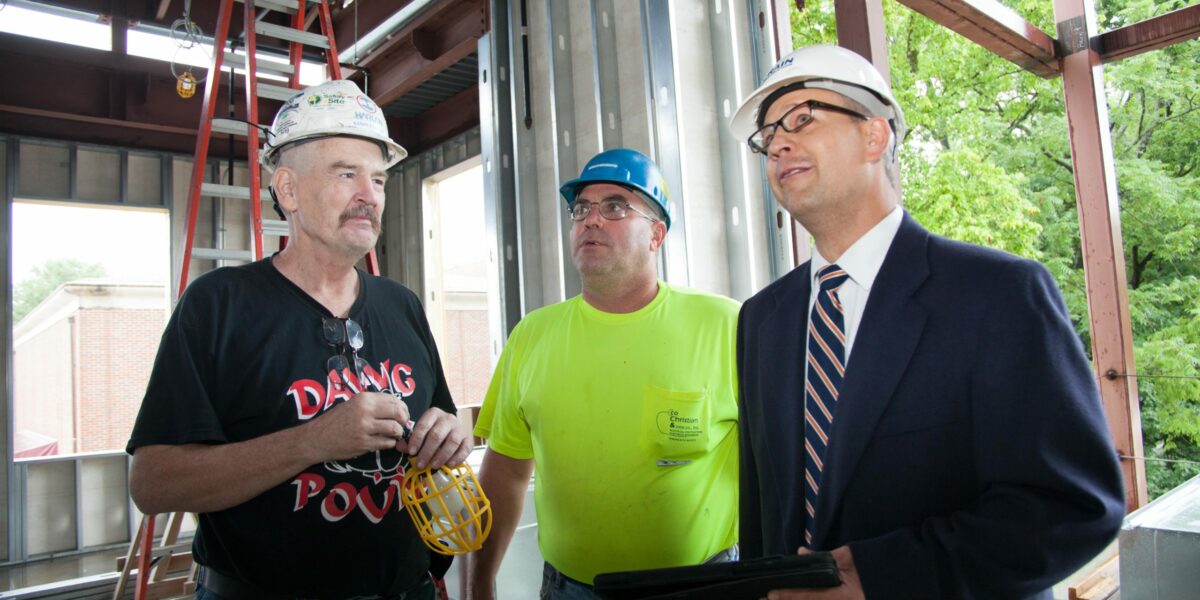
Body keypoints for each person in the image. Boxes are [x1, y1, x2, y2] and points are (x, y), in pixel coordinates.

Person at [728, 45, 1126, 599]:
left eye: (802, 119)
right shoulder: (761, 320)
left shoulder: (998, 294)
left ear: (875, 135)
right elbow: (762, 513)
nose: (778, 145)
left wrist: (884, 576)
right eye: (767, 136)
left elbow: (1070, 506)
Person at [127, 79, 472, 599]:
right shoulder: (218, 305)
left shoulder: (402, 305)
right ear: (287, 189)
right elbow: (153, 484)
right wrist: (314, 440)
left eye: (378, 179)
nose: (369, 196)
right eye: (346, 174)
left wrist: (449, 435)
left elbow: (441, 421)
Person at [466, 148, 741, 599]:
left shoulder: (726, 325)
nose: (590, 220)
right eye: (581, 209)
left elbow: (778, 465)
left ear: (656, 235)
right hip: (568, 589)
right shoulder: (532, 336)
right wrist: (480, 581)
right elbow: (507, 472)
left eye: (614, 206)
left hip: (701, 586)